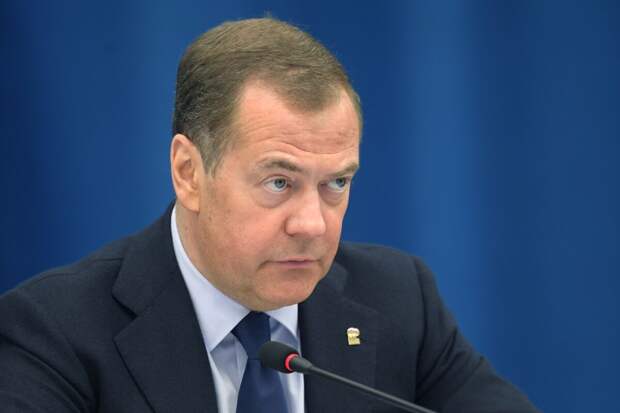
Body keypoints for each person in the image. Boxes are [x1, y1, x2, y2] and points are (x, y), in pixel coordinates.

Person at [0, 17, 540, 413]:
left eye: (336, 183)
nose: (313, 224)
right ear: (189, 173)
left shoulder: (399, 300)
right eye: (279, 182)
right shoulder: (55, 332)